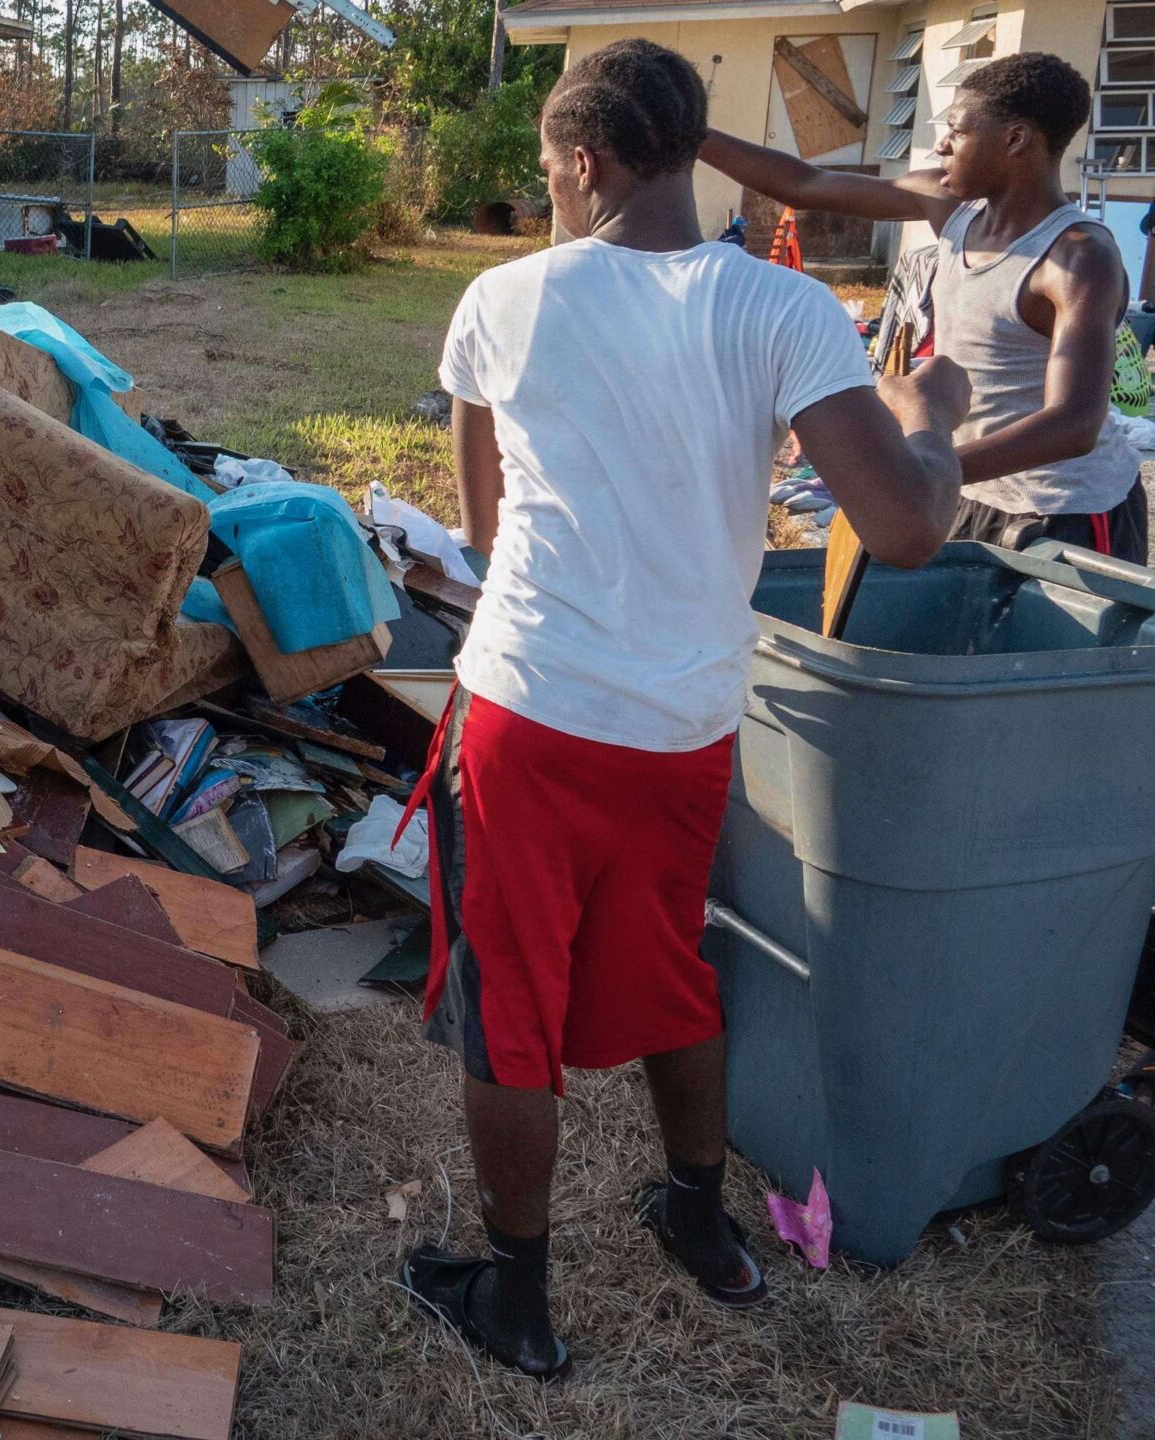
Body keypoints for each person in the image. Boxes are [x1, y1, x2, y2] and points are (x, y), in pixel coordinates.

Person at [400, 38, 970, 1380]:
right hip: (687, 722)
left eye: (550, 169)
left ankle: (517, 1298)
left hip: (530, 713)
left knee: (511, 1004)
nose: (547, 190)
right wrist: (933, 421)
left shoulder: (502, 300)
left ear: (586, 162)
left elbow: (488, 526)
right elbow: (902, 525)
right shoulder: (782, 312)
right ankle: (701, 1219)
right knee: (669, 960)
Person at [703, 53, 1145, 561]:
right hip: (968, 486)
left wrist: (925, 468)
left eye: (957, 132)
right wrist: (690, 136)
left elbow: (1074, 424)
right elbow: (805, 186)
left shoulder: (1077, 257)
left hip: (1067, 510)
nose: (942, 145)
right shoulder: (950, 205)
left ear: (1016, 140)